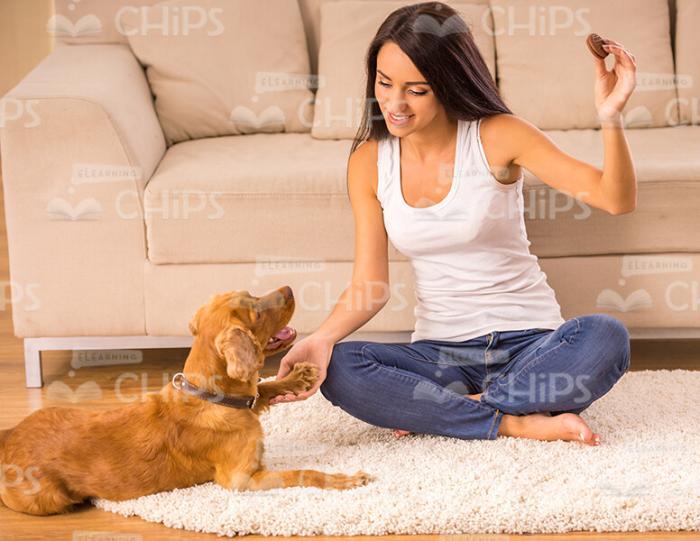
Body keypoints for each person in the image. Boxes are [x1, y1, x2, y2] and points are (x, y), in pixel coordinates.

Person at [270, 1, 637, 446]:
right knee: (343, 367)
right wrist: (322, 339)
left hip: (530, 346)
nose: (394, 103)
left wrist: (610, 116)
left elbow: (615, 199)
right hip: (439, 357)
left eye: (416, 90)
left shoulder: (499, 135)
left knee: (605, 337)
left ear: (447, 84)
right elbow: (371, 284)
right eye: (384, 84)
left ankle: (456, 411)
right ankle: (514, 419)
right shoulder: (369, 162)